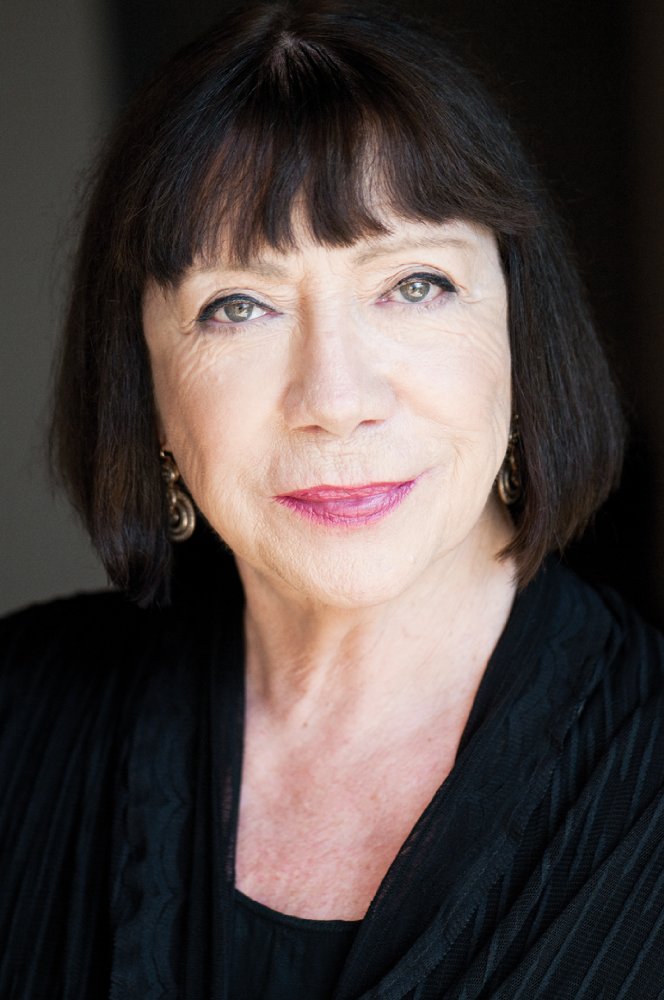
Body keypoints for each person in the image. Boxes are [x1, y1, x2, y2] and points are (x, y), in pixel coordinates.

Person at [2, 2, 664, 997]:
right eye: (239, 305)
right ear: (146, 386)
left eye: (415, 285)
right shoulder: (18, 719)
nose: (336, 398)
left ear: (519, 337)